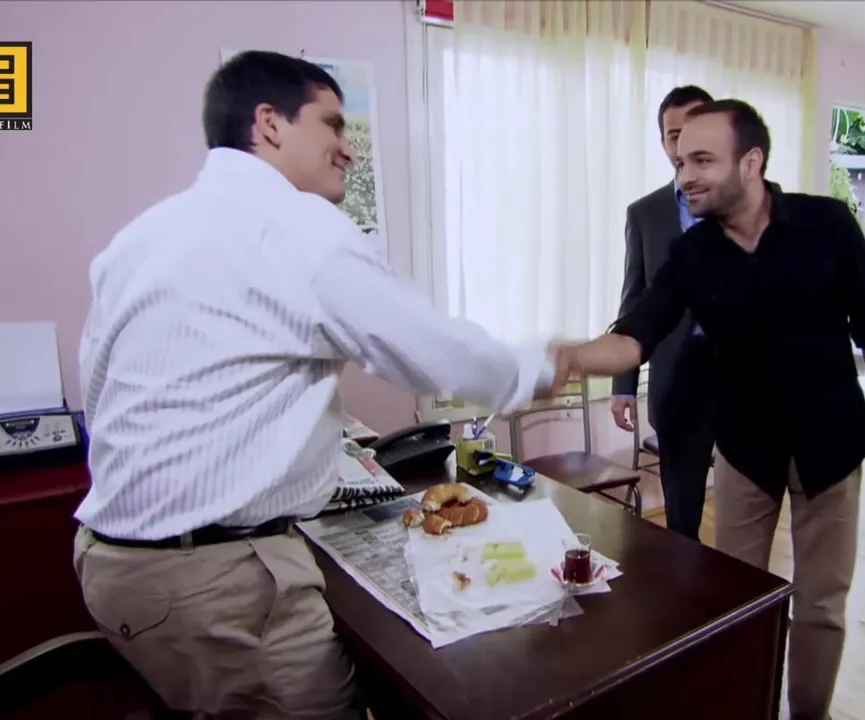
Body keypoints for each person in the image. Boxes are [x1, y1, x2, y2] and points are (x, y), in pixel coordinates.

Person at [72, 50, 563, 719]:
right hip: (213, 580)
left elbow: (100, 392)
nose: (348, 149)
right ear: (269, 124)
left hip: (116, 566)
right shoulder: (295, 227)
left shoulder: (142, 236)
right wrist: (544, 365)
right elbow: (432, 351)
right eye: (333, 125)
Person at [556, 99, 865, 720]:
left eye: (702, 160)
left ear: (751, 162)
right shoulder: (694, 255)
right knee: (737, 598)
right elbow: (637, 333)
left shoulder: (827, 224)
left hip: (831, 443)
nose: (685, 175)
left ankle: (810, 714)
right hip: (746, 447)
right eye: (680, 161)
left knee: (821, 604)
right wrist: (570, 358)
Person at [610, 85, 718, 542]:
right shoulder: (645, 214)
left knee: (748, 518)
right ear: (664, 143)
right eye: (675, 135)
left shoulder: (746, 205)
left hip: (746, 385)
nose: (685, 144)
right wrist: (623, 385)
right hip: (677, 386)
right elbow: (634, 301)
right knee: (682, 523)